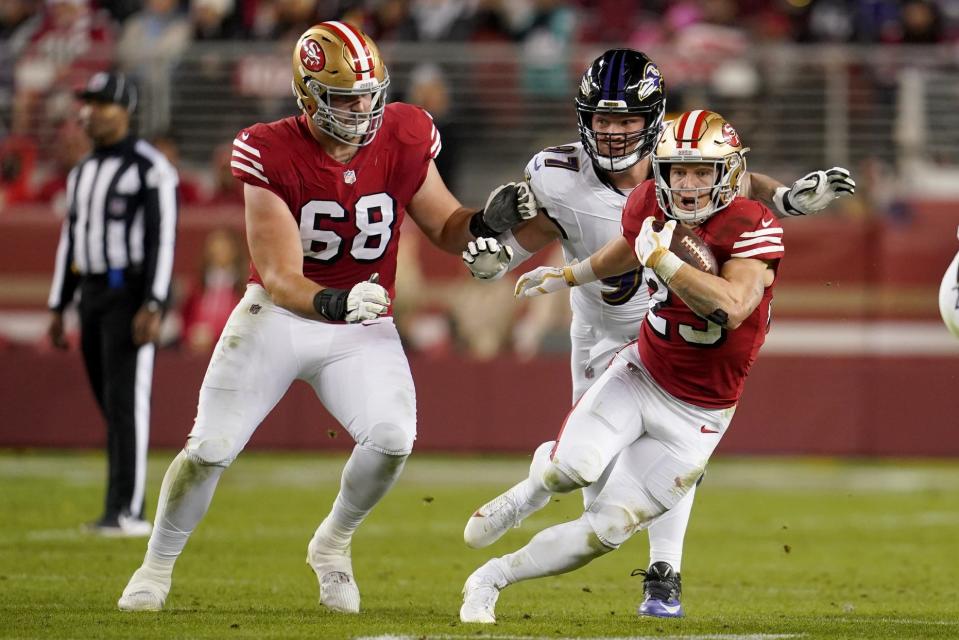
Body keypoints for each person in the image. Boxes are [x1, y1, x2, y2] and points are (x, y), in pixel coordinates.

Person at [116, 21, 535, 613]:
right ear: (307, 95)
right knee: (209, 447)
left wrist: (487, 222)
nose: (362, 108)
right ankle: (155, 567)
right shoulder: (268, 148)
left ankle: (332, 544)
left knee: (392, 438)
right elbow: (281, 274)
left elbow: (445, 226)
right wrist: (334, 302)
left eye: (369, 94)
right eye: (345, 97)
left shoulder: (405, 132)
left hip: (360, 326)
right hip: (279, 316)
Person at [460, 49, 855, 617]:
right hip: (625, 345)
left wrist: (781, 201)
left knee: (608, 523)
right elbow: (586, 238)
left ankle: (662, 571)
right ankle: (533, 494)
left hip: (694, 388)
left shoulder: (729, 209)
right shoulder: (598, 183)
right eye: (604, 119)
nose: (616, 133)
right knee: (581, 472)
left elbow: (730, 287)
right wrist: (520, 261)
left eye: (628, 122)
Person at [47, 71, 179, 537]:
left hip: (130, 294)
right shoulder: (82, 172)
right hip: (92, 294)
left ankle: (129, 511)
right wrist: (58, 303)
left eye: (103, 103)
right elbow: (72, 239)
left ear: (125, 111)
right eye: (89, 102)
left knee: (127, 403)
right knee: (109, 400)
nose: (93, 112)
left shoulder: (150, 167)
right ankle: (114, 508)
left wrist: (155, 301)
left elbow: (164, 241)